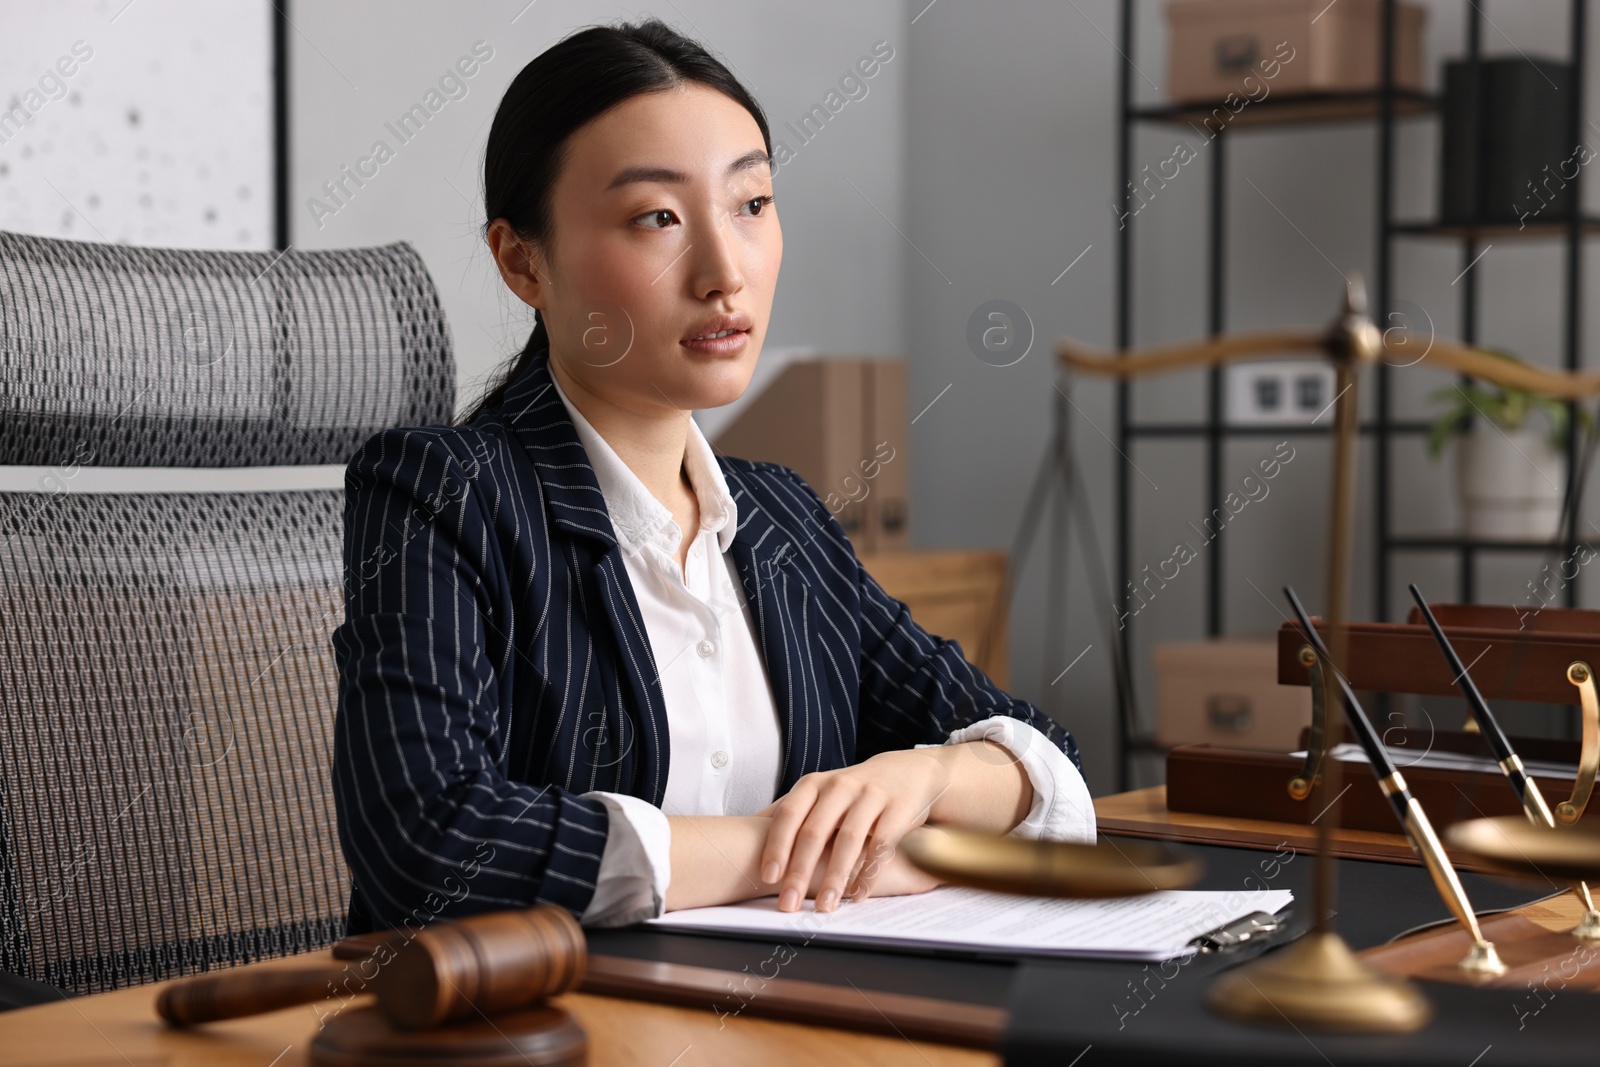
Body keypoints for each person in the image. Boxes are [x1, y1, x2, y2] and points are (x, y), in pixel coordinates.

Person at [330, 17, 1094, 937]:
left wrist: (924, 776)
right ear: (522, 261)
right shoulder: (441, 494)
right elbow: (431, 842)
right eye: (658, 217)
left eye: (752, 204)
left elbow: (1043, 760)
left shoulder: (778, 516)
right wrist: (788, 850)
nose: (725, 272)